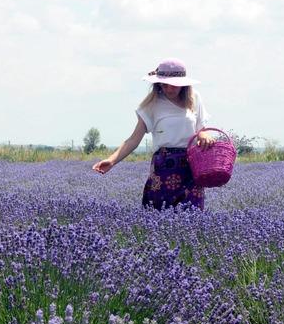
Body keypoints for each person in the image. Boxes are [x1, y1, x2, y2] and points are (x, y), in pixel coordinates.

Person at [92, 59, 215, 210]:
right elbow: (133, 140)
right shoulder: (152, 105)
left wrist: (203, 135)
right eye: (164, 85)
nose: (169, 89)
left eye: (174, 85)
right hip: (164, 167)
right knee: (159, 213)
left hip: (191, 166)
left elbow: (201, 129)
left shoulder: (194, 98)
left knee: (192, 215)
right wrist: (111, 161)